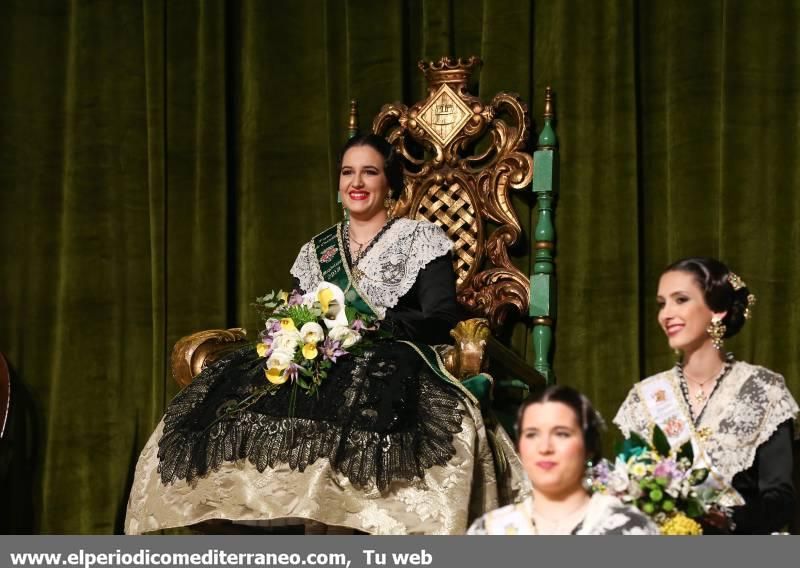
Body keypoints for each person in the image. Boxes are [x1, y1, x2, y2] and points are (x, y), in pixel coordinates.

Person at [125, 134, 529, 535]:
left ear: (388, 183)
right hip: (322, 355)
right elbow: (299, 312)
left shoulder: (421, 240)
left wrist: (374, 326)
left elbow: (440, 317)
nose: (356, 182)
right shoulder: (317, 251)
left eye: (369, 172)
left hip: (392, 355)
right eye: (347, 172)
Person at [614, 257, 799, 534]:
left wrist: (726, 521)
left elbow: (779, 499)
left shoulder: (764, 390)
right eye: (662, 303)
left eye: (680, 299)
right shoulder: (645, 398)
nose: (666, 314)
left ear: (718, 310)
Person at [467, 385, 658, 535]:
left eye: (562, 434)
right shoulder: (489, 530)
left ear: (589, 447)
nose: (544, 448)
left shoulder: (631, 529)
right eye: (532, 434)